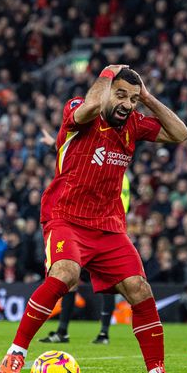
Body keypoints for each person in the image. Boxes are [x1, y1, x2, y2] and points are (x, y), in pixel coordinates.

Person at [0, 65, 187, 373]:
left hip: (108, 226)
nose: (127, 104)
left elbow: (180, 134)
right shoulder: (77, 110)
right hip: (65, 216)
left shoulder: (133, 123)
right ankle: (15, 355)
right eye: (120, 95)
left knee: (140, 290)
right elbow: (89, 107)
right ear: (105, 91)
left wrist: (147, 98)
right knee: (66, 274)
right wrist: (105, 76)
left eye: (132, 98)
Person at [36, 131, 125, 345]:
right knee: (69, 279)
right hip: (79, 230)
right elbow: (76, 157)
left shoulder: (118, 176)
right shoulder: (96, 165)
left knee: (109, 282)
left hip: (106, 231)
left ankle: (104, 332)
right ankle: (63, 331)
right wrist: (53, 145)